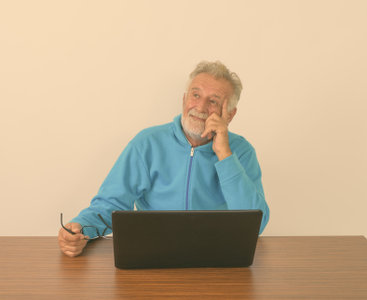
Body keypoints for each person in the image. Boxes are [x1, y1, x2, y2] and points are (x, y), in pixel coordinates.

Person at [58, 60, 270, 257]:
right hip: (153, 257)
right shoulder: (146, 143)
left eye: (213, 101)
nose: (201, 107)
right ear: (184, 99)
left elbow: (256, 225)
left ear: (230, 115)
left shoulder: (241, 152)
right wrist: (80, 228)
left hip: (217, 259)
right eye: (195, 95)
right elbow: (110, 204)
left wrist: (225, 155)